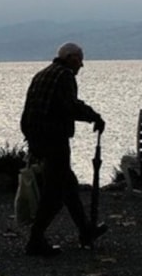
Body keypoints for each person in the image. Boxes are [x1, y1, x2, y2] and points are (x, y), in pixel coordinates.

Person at [20, 42, 108, 257]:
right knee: (55, 192)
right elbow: (70, 106)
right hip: (54, 139)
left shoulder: (43, 74)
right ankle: (35, 239)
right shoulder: (65, 76)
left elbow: (31, 108)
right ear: (70, 58)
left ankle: (85, 231)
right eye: (80, 59)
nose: (82, 65)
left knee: (68, 185)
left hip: (37, 137)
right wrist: (94, 117)